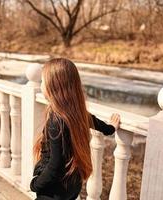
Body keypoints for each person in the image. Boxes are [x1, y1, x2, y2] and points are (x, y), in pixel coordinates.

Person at [30, 58, 120, 200]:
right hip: (71, 185)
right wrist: (111, 128)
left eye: (43, 81)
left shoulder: (56, 120)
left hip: (53, 191)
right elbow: (98, 124)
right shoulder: (76, 112)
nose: (41, 85)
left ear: (54, 86)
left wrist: (36, 184)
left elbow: (55, 165)